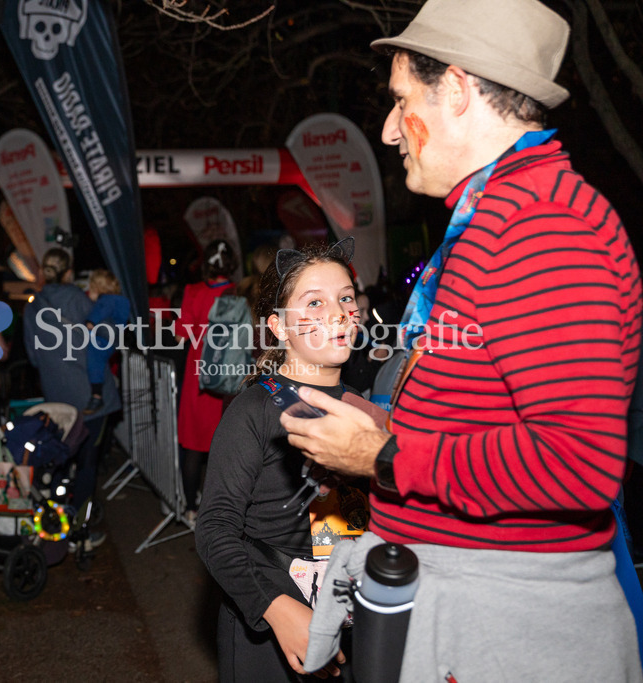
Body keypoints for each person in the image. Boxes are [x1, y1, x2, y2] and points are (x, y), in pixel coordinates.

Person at [279, 0, 643, 679]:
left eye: (400, 100)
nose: (389, 130)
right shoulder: (496, 219)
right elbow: (487, 413)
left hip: (510, 625)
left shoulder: (543, 227)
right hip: (475, 606)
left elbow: (580, 462)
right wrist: (386, 425)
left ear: (455, 88)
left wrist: (384, 456)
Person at [195, 243, 360, 680]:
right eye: (315, 302)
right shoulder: (254, 410)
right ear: (279, 327)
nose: (338, 313)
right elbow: (214, 529)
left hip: (347, 615)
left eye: (345, 297)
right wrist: (277, 609)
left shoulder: (362, 407)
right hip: (270, 624)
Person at [23, 248, 119, 548]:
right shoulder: (79, 300)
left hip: (57, 399)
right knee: (88, 464)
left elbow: (33, 358)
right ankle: (79, 532)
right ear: (68, 273)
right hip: (91, 399)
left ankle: (53, 523)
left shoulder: (32, 307)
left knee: (60, 461)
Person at [174, 239, 237, 525]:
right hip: (227, 374)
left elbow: (180, 336)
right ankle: (220, 511)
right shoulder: (237, 293)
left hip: (197, 376)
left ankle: (191, 509)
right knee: (222, 446)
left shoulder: (193, 292)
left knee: (193, 444)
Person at [82, 269, 130, 415]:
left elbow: (96, 316)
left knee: (94, 361)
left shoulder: (106, 301)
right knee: (101, 362)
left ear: (97, 288)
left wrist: (89, 323)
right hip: (113, 340)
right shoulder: (120, 300)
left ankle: (97, 395)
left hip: (102, 340)